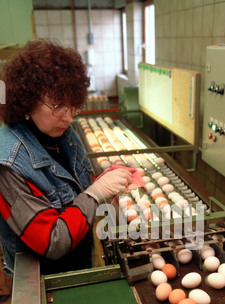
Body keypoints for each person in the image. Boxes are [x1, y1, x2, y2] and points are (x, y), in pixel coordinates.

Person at [0, 39, 133, 276]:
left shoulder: (64, 136)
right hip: (44, 282)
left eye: (73, 106)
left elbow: (75, 189)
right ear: (27, 100)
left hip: (78, 265)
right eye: (58, 106)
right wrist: (95, 194)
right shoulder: (9, 164)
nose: (67, 117)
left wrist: (103, 185)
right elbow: (52, 240)